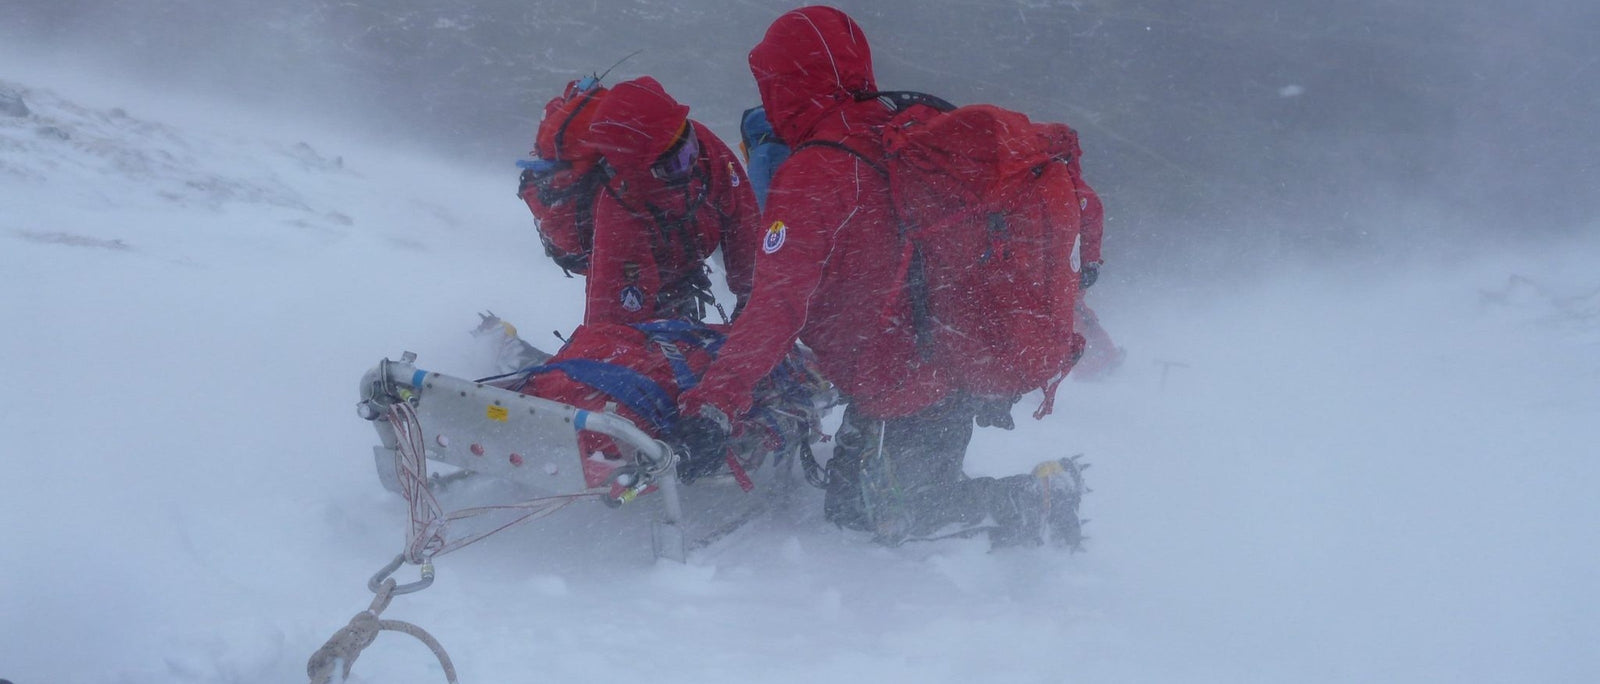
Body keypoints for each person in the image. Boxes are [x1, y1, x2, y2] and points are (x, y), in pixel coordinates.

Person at [675, 6, 1087, 548]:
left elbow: (778, 305)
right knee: (858, 500)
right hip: (944, 360)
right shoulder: (904, 130)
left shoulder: (815, 172)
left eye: (770, 84)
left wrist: (714, 404)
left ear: (786, 85)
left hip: (906, 381)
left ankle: (1032, 500)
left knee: (884, 519)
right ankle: (967, 501)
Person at [517, 76, 761, 324]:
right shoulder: (619, 211)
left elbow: (743, 221)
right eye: (674, 165)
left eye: (689, 149)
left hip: (683, 260)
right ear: (640, 171)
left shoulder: (703, 145)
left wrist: (753, 295)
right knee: (651, 333)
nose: (690, 165)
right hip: (650, 270)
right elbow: (612, 326)